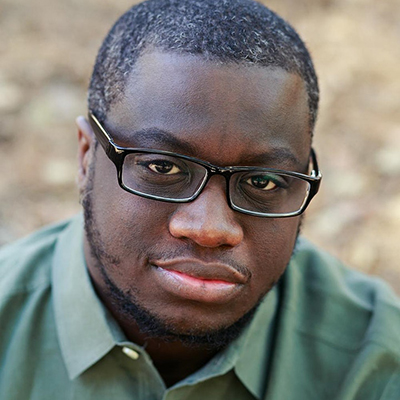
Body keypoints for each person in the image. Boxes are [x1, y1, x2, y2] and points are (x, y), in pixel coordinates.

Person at [0, 0, 399, 398]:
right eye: (163, 169)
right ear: (87, 156)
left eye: (262, 182)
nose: (210, 229)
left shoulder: (376, 362)